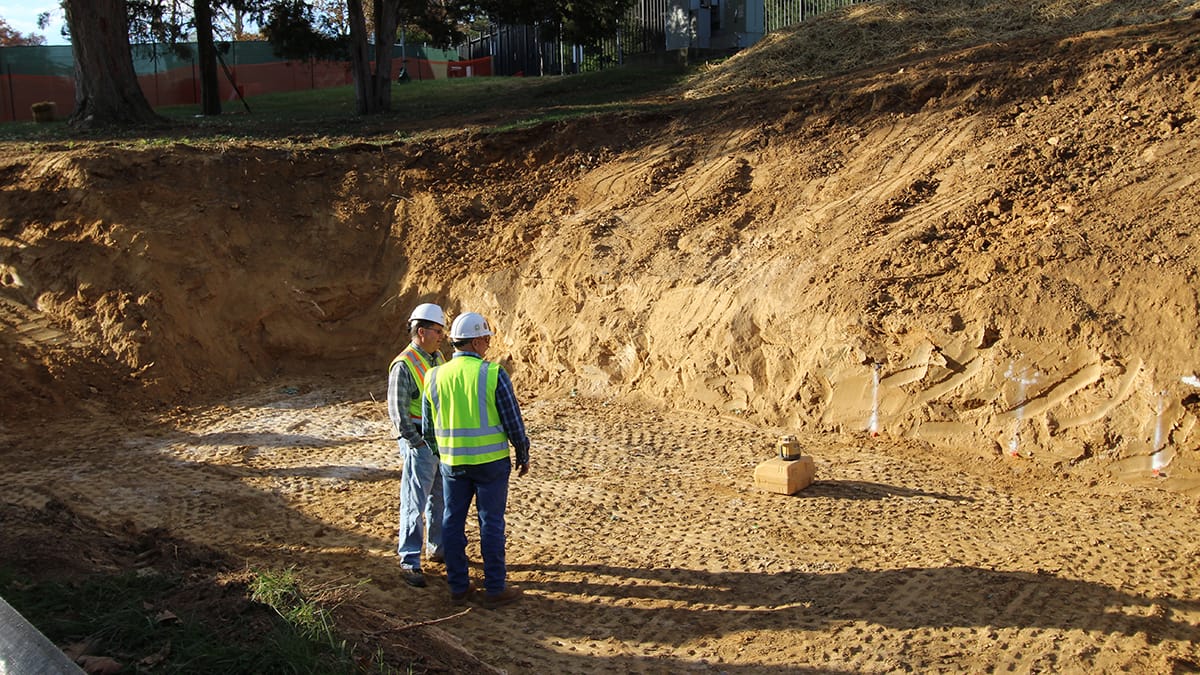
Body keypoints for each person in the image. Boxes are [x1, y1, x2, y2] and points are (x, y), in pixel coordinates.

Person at [422, 312, 530, 609]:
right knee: (491, 523)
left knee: (452, 523)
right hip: (491, 464)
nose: (488, 345)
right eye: (486, 339)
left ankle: (458, 587)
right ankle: (495, 588)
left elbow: (428, 429)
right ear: (477, 340)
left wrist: (441, 453)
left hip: (453, 463)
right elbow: (513, 422)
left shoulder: (433, 376)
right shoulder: (492, 374)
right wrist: (523, 451)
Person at [387, 302, 447, 588]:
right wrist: (417, 443)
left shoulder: (437, 358)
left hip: (439, 440)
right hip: (420, 442)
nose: (442, 335)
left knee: (440, 497)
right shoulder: (404, 365)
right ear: (421, 332)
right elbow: (398, 414)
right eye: (438, 330)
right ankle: (410, 561)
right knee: (415, 502)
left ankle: (437, 548)